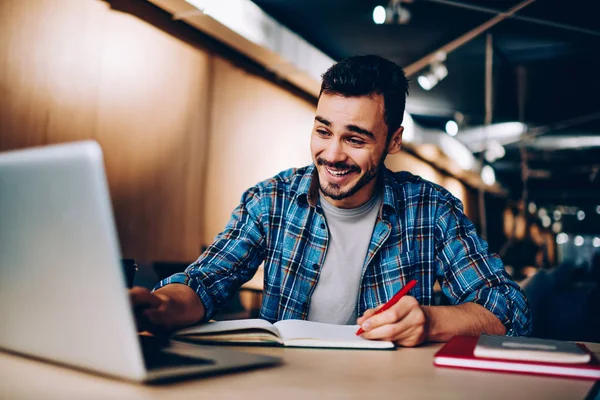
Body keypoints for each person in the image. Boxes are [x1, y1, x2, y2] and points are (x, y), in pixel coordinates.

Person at [130, 55, 531, 347]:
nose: (333, 154)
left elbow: (510, 311)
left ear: (394, 140)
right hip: (286, 385)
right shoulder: (271, 200)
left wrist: (429, 321)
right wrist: (159, 306)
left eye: (355, 139)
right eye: (324, 131)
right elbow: (204, 283)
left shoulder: (432, 209)